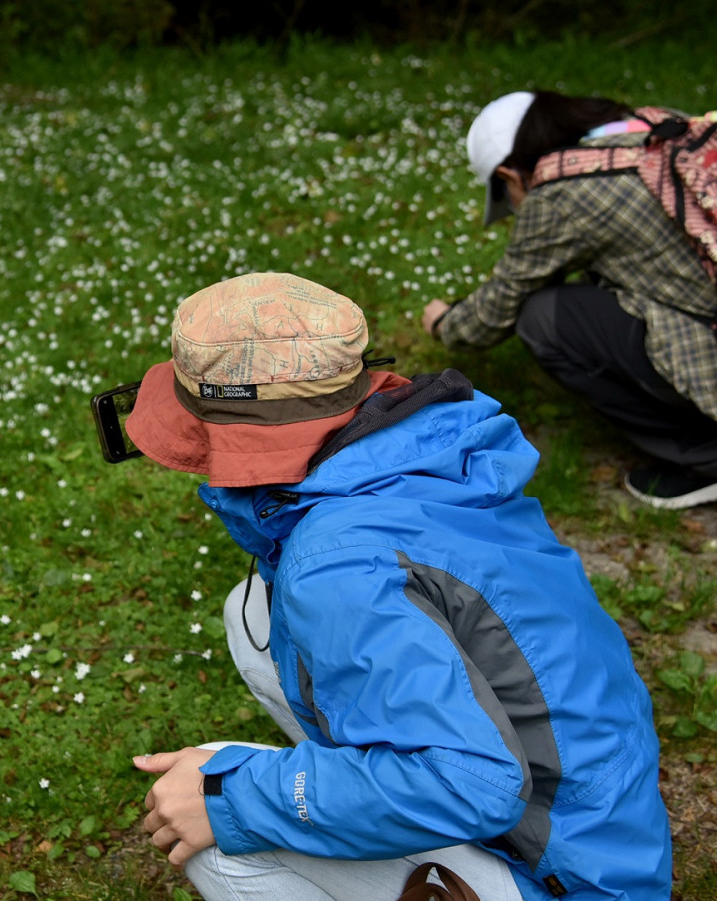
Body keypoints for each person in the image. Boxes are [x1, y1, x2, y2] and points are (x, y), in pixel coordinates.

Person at [124, 272, 671, 900]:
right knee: (252, 612)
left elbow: (473, 783)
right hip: (606, 832)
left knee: (217, 821)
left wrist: (238, 800)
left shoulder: (338, 565)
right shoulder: (420, 455)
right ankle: (376, 788)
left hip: (561, 876)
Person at [421, 90, 717, 510]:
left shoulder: (563, 192)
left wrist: (443, 322)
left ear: (508, 175)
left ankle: (706, 457)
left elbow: (490, 316)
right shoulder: (656, 124)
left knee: (543, 318)